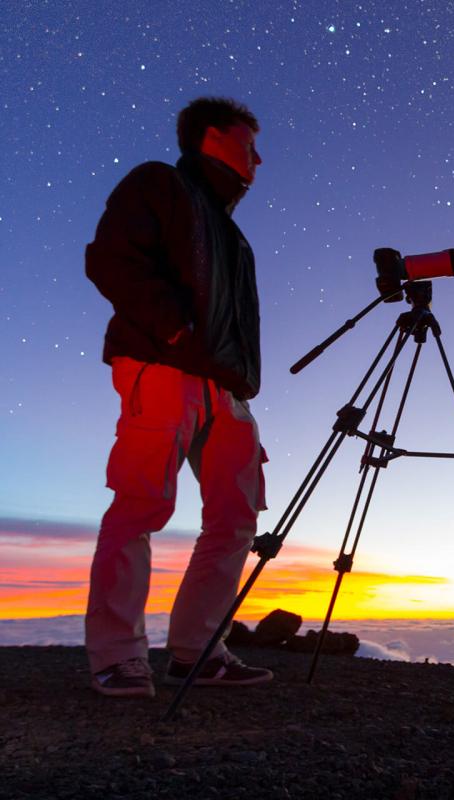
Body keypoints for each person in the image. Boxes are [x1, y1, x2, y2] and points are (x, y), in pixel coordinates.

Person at [84, 97, 272, 697]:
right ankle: (117, 656)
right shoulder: (158, 183)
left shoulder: (235, 237)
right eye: (248, 145)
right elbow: (110, 259)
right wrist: (173, 331)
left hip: (226, 387)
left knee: (237, 516)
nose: (258, 160)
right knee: (141, 505)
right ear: (211, 138)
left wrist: (240, 378)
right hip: (162, 366)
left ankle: (196, 650)